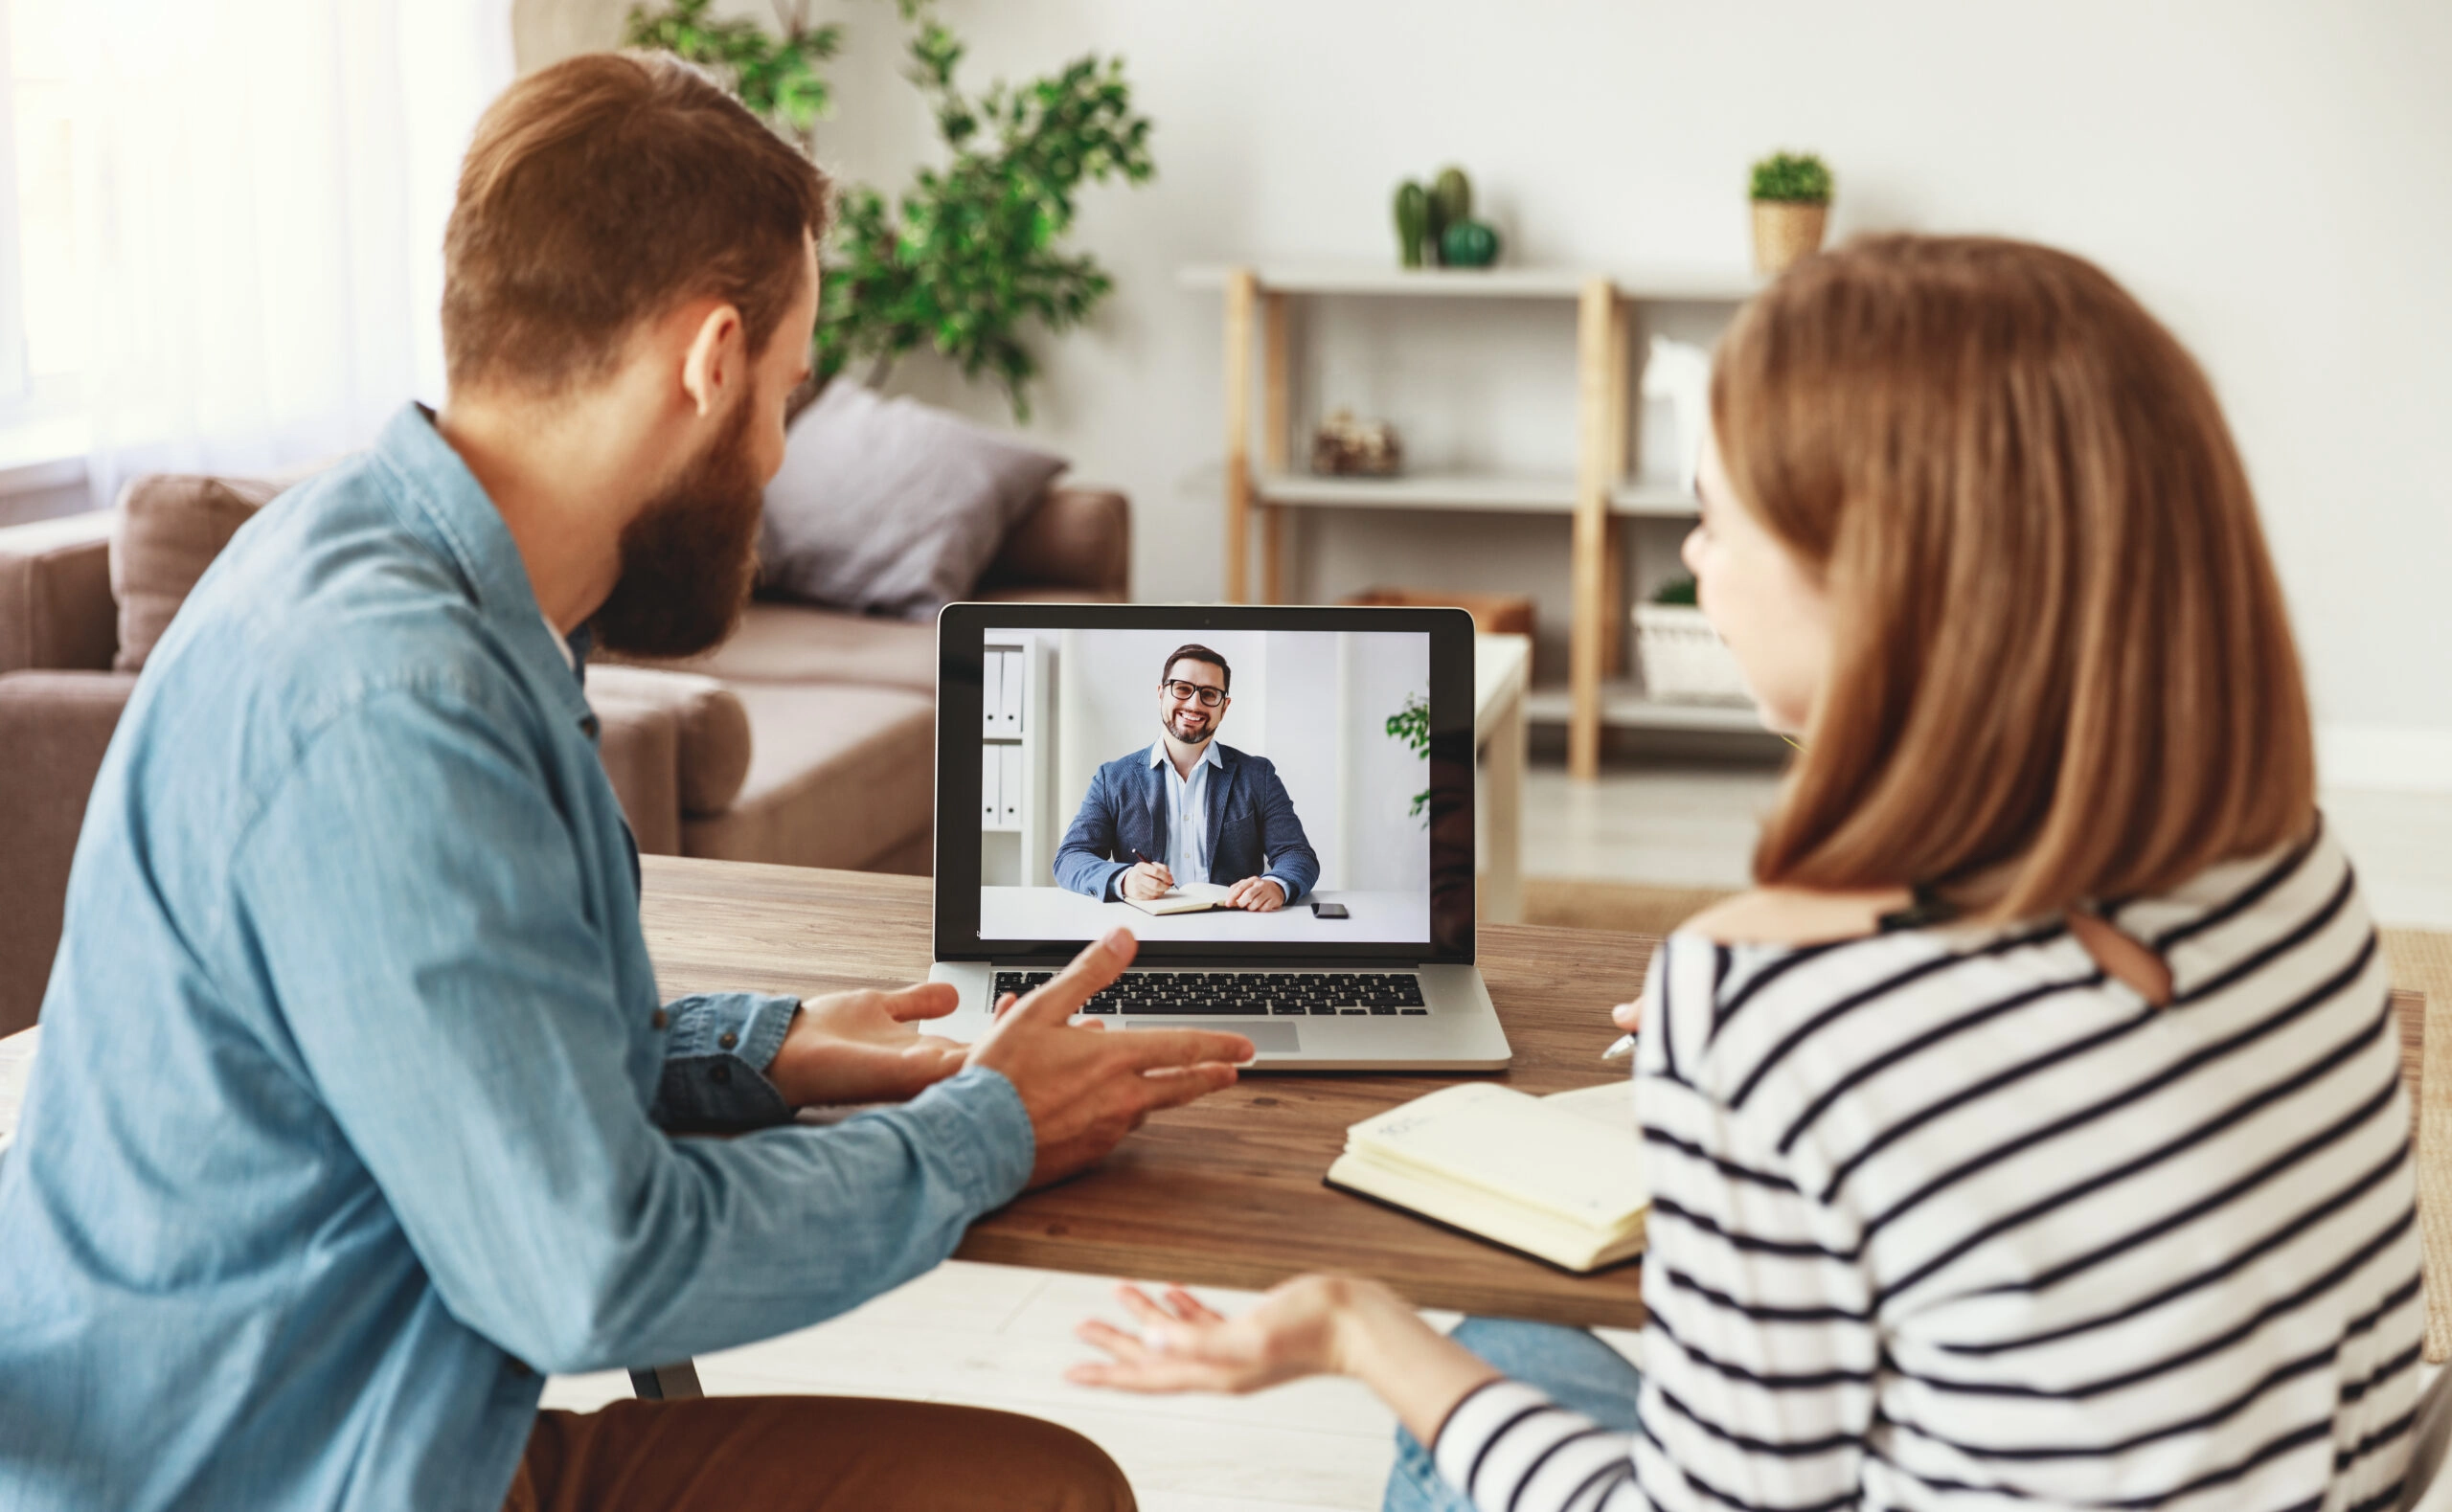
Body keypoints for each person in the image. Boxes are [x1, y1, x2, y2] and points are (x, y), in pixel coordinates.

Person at [0, 53, 1254, 1512]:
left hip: (333, 1408)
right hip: (268, 1468)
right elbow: (589, 1264)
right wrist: (989, 1126)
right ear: (710, 360)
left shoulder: (401, 566)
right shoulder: (393, 700)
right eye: (787, 393)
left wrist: (761, 1048)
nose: (777, 456)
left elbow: (440, 1059)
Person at [1068, 236, 2419, 1512]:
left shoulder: (1781, 990)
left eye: (1714, 516)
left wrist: (1355, 1323)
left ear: (1875, 569)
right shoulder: (2286, 860)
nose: (1692, 557)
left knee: (1463, 1378)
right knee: (1521, 1333)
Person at [1052, 643, 1322, 912]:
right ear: (1161, 694)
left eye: (1209, 694)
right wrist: (1124, 880)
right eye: (1182, 689)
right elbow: (1070, 858)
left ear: (1224, 707)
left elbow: (1297, 855)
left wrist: (1275, 884)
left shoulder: (1257, 776)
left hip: (1233, 927)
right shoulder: (1112, 778)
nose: (1194, 704)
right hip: (1146, 930)